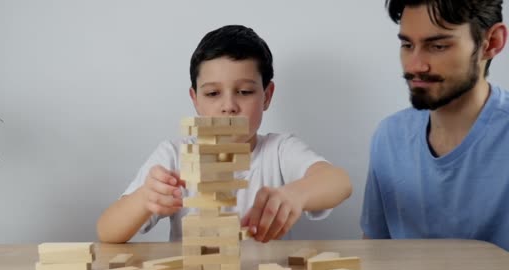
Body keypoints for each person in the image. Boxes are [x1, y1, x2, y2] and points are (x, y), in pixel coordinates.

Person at [97, 25, 352, 243]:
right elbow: (107, 231)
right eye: (212, 93)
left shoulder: (280, 150)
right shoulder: (174, 156)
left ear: (267, 96)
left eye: (244, 92)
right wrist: (146, 198)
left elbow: (339, 182)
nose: (228, 106)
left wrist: (297, 194)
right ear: (195, 100)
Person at [361, 0, 509, 250]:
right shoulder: (389, 137)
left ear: (492, 42)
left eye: (438, 46)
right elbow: (375, 249)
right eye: (407, 45)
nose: (415, 66)